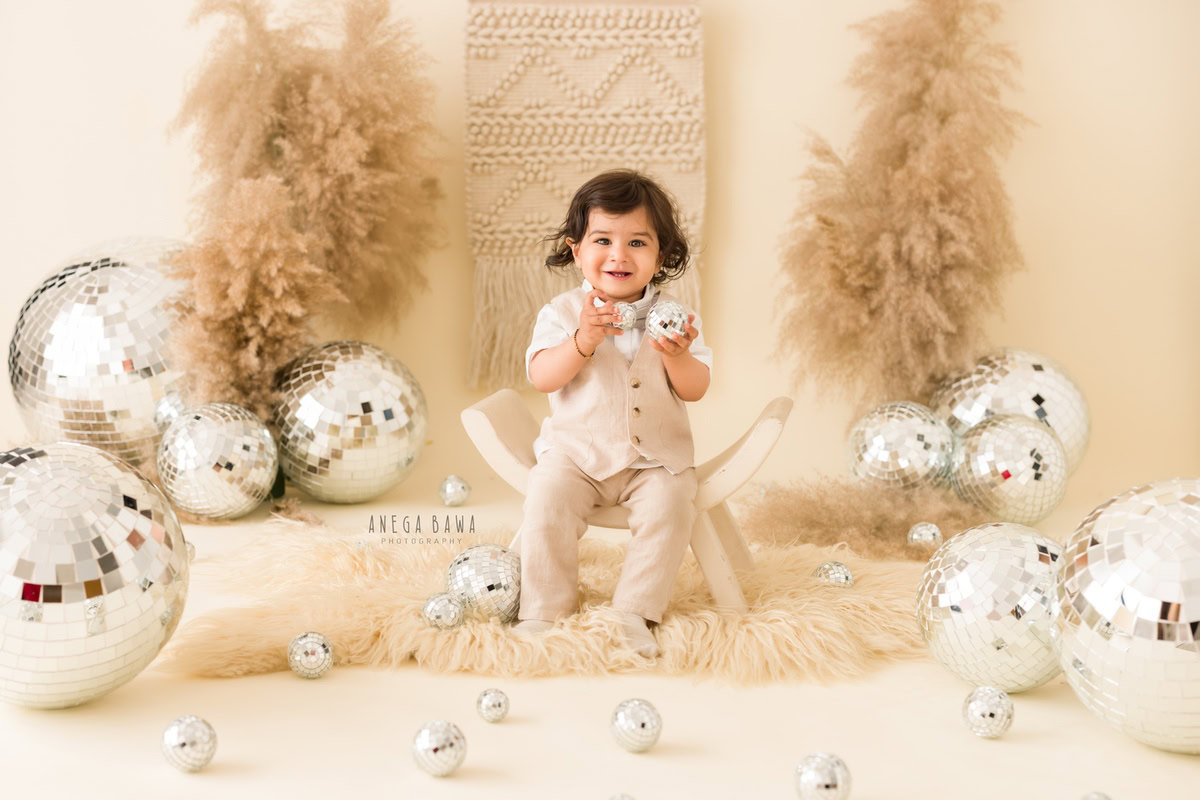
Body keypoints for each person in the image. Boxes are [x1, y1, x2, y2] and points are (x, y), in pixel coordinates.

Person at [513, 169, 712, 657]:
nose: (619, 255)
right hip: (576, 455)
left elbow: (696, 389)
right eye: (603, 239)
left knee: (671, 507)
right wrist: (582, 341)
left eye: (638, 242)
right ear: (577, 250)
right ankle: (544, 609)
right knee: (546, 503)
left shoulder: (678, 320)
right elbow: (542, 378)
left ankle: (634, 611)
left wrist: (676, 354)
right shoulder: (560, 314)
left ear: (661, 256)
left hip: (653, 460)